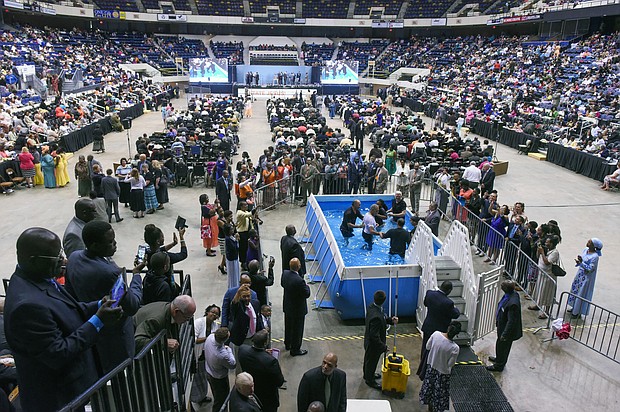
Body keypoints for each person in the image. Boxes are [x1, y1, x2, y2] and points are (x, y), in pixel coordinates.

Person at [3, 227, 122, 412]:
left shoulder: (38, 278)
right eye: (55, 256)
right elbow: (58, 353)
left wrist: (98, 305)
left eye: (60, 252)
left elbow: (66, 308)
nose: (63, 259)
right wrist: (98, 321)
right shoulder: (26, 307)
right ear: (33, 261)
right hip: (59, 398)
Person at [64, 221, 143, 373]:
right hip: (116, 338)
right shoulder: (110, 273)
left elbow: (70, 292)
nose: (115, 244)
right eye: (110, 242)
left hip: (91, 330)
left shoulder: (74, 258)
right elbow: (132, 305)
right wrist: (137, 277)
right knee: (123, 374)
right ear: (94, 245)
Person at [417, 281, 460, 379]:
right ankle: (433, 371)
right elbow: (456, 314)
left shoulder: (430, 294)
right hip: (440, 331)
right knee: (437, 352)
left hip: (428, 327)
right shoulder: (448, 303)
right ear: (449, 290)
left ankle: (422, 370)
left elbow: (425, 303)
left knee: (425, 349)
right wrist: (455, 308)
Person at [419, 321, 462, 412]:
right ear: (456, 334)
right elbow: (450, 364)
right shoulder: (455, 348)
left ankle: (429, 409)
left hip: (431, 369)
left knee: (429, 391)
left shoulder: (436, 334)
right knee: (439, 395)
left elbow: (427, 347)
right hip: (443, 374)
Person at [238, 330, 285, 412]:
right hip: (267, 396)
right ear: (265, 343)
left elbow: (254, 356)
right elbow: (279, 382)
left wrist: (263, 353)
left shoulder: (242, 350)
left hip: (251, 392)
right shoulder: (271, 362)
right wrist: (265, 355)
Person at [363, 290, 398, 389]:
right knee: (372, 362)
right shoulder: (377, 316)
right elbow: (374, 336)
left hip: (368, 341)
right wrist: (383, 347)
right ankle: (370, 380)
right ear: (384, 301)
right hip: (373, 345)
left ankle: (367, 374)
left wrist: (390, 320)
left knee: (368, 360)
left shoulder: (372, 307)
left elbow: (381, 320)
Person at [487, 280, 523, 372]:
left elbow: (511, 321)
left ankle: (499, 366)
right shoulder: (509, 295)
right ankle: (499, 358)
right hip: (501, 325)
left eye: (503, 285)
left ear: (506, 289)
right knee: (500, 345)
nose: (502, 285)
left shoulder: (513, 303)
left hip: (507, 330)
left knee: (504, 347)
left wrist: (505, 334)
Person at [190, 304, 220, 408]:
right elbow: (193, 339)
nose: (214, 315)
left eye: (216, 314)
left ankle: (202, 397)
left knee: (203, 378)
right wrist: (208, 338)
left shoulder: (215, 326)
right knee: (196, 379)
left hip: (205, 357)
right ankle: (196, 398)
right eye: (212, 312)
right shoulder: (198, 323)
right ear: (207, 312)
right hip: (196, 355)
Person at [281, 258, 310, 356]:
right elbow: (306, 294)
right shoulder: (299, 281)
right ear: (299, 267)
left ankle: (287, 343)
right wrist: (307, 286)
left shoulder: (285, 274)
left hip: (288, 305)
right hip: (298, 309)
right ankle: (295, 349)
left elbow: (282, 284)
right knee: (297, 329)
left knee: (288, 326)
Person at [568, 238, 603, 319]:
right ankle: (573, 307)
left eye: (590, 242)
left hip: (586, 278)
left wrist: (581, 263)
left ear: (594, 246)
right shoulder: (585, 250)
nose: (588, 242)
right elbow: (583, 260)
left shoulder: (595, 257)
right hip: (580, 274)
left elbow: (590, 269)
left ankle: (577, 312)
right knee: (575, 290)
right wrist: (580, 261)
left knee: (581, 293)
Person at [204, 327, 236, 412]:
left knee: (216, 395)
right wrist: (229, 350)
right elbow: (232, 364)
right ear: (224, 340)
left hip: (209, 372)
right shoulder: (222, 354)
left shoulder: (210, 337)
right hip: (219, 380)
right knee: (221, 401)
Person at [529, 235, 560, 319]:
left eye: (548, 242)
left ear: (552, 244)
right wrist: (539, 252)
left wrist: (542, 252)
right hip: (541, 275)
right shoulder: (546, 249)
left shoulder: (555, 253)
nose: (546, 243)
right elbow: (537, 257)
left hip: (548, 277)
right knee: (539, 291)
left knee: (547, 294)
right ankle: (537, 305)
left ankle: (546, 312)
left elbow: (547, 262)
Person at [225, 223, 241, 289]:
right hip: (231, 259)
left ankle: (236, 284)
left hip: (235, 257)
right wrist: (236, 240)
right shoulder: (228, 239)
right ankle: (233, 287)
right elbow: (233, 248)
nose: (233, 230)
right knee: (232, 274)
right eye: (231, 229)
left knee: (236, 273)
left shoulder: (232, 237)